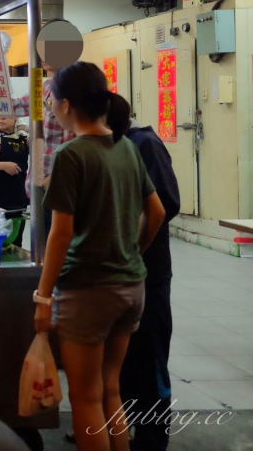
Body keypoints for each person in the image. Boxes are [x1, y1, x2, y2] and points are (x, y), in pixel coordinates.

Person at [33, 62, 166, 451]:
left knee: (86, 398)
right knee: (110, 390)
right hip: (131, 288)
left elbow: (61, 233)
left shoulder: (71, 155)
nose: (51, 105)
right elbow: (155, 212)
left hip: (88, 292)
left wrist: (43, 296)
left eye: (52, 99)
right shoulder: (125, 146)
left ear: (66, 105)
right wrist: (131, 253)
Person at [118, 117, 180, 451]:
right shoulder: (108, 145)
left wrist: (134, 250)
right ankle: (121, 428)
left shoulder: (144, 144)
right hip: (119, 274)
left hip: (147, 274)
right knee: (124, 364)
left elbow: (164, 205)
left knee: (148, 362)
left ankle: (152, 441)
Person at [13, 60, 74, 232]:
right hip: (40, 184)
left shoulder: (72, 87)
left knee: (55, 239)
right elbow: (19, 105)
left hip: (57, 184)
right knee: (41, 241)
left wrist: (50, 179)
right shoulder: (46, 85)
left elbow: (75, 140)